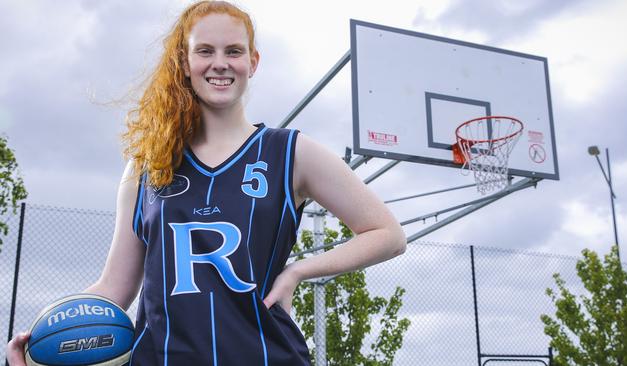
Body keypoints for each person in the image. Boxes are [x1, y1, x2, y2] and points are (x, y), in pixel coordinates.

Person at [6, 1, 406, 365]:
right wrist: (45, 343)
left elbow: (387, 233)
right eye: (205, 51)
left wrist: (298, 272)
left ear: (254, 62)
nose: (220, 63)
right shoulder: (146, 165)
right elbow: (115, 288)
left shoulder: (291, 153)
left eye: (233, 51)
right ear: (184, 62)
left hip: (265, 356)